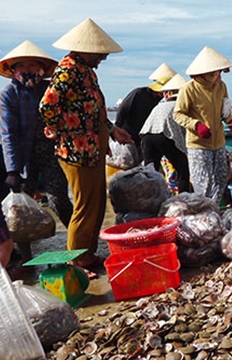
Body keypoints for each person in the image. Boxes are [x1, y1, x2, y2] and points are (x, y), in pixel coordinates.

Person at [39, 18, 133, 276]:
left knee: (97, 203)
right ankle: (75, 261)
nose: (103, 58)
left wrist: (112, 130)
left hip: (93, 149)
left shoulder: (87, 72)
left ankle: (87, 254)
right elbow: (47, 106)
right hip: (76, 150)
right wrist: (59, 130)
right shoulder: (68, 70)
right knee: (84, 205)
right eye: (101, 53)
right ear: (87, 49)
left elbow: (95, 110)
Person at [0, 40, 75, 266]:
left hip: (51, 152)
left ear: (41, 70)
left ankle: (77, 247)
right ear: (14, 70)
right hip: (23, 157)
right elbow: (8, 134)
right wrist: (12, 169)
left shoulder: (48, 88)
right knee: (20, 211)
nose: (30, 71)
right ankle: (25, 260)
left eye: (34, 67)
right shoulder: (8, 95)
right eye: (24, 67)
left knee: (58, 200)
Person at [173, 46, 232, 205]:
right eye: (213, 74)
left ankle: (213, 209)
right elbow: (178, 114)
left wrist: (231, 121)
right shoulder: (189, 89)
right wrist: (196, 125)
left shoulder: (221, 87)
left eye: (219, 73)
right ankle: (205, 211)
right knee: (204, 183)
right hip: (198, 144)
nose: (218, 77)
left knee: (221, 179)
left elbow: (225, 109)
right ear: (201, 75)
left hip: (219, 142)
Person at [140, 73, 191, 193]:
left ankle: (149, 198)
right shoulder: (180, 106)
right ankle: (185, 199)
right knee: (183, 170)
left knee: (150, 172)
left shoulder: (160, 105)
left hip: (147, 137)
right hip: (165, 136)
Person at [115, 64, 175, 152]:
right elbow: (123, 109)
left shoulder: (158, 100)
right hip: (127, 132)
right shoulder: (139, 93)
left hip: (141, 135)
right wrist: (117, 129)